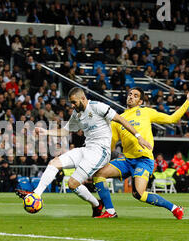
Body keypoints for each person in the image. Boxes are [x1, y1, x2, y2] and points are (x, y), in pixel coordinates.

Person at [15, 87, 152, 217]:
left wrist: (138, 137)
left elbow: (121, 120)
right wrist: (46, 132)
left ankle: (97, 204)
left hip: (100, 152)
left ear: (82, 98)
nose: (72, 105)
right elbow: (64, 131)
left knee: (72, 184)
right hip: (87, 149)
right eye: (71, 103)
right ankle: (36, 194)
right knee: (54, 163)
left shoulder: (98, 107)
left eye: (74, 102)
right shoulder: (77, 114)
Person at [93, 88, 189, 219]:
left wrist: (188, 101)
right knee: (98, 174)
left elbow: (172, 119)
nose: (131, 97)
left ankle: (175, 208)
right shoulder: (117, 120)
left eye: (135, 96)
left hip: (143, 160)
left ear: (140, 101)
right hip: (127, 160)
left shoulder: (146, 112)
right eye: (130, 94)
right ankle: (110, 211)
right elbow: (111, 145)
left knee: (138, 194)